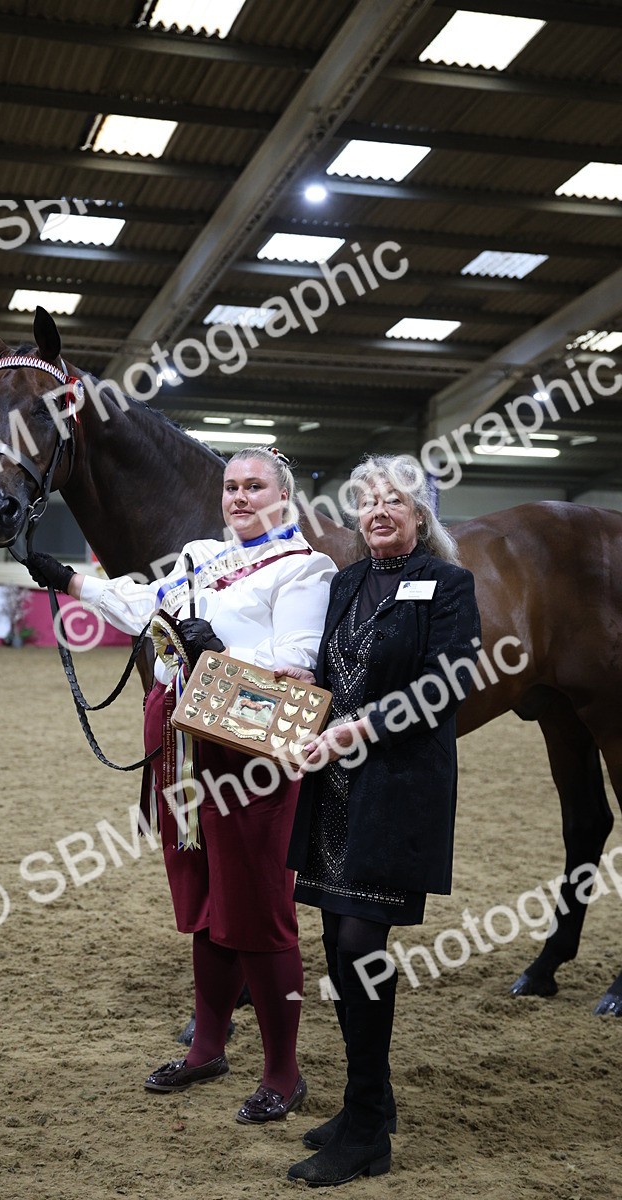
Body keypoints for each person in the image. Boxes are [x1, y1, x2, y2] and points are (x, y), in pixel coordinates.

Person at [25, 447, 337, 1124]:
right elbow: (141, 605)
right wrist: (67, 578)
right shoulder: (202, 557)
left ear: (284, 498)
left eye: (256, 487)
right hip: (184, 751)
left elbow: (294, 682)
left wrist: (213, 655)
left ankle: (284, 1072)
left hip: (248, 759)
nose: (241, 497)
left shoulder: (305, 571)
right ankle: (206, 1047)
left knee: (259, 911)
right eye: (232, 486)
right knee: (204, 904)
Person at [285, 453, 481, 1185]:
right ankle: (369, 1101)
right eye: (368, 499)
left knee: (363, 948)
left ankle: (367, 1131)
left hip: (395, 788)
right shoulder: (347, 580)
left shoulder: (449, 583)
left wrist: (357, 729)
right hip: (334, 793)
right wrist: (305, 689)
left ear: (421, 514)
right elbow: (335, 673)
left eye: (394, 500)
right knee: (339, 946)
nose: (378, 510)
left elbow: (450, 682)